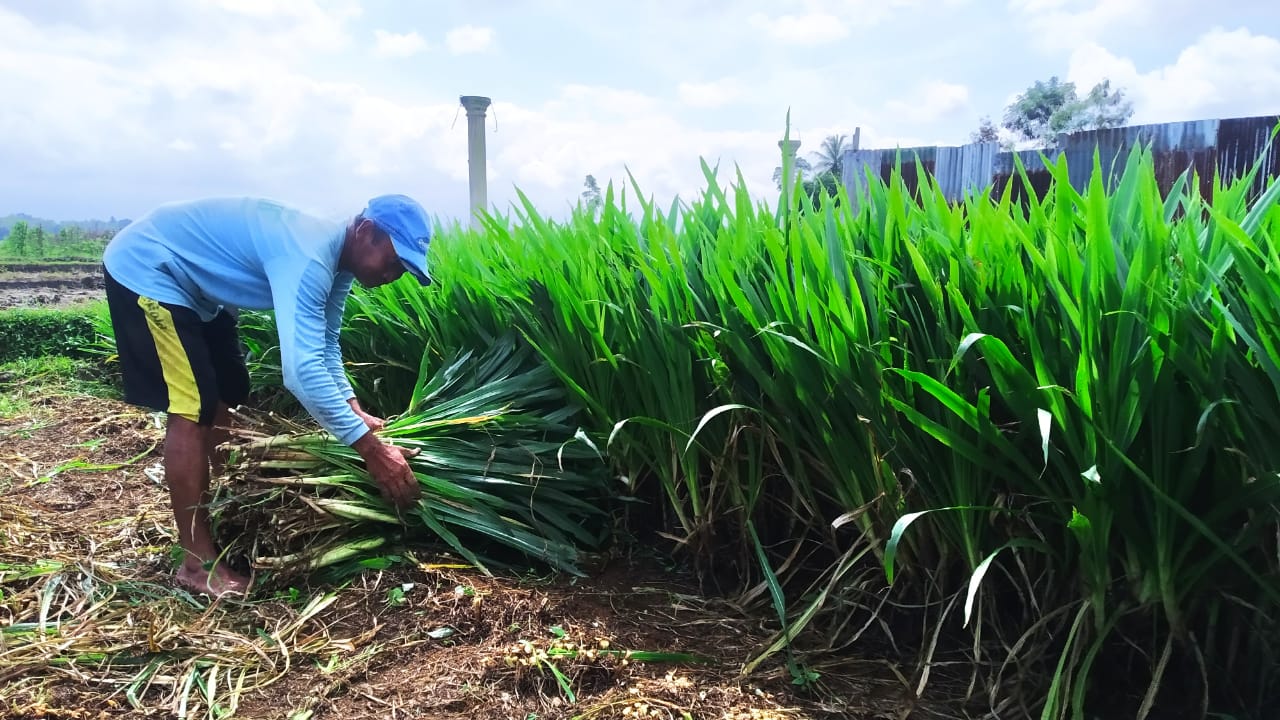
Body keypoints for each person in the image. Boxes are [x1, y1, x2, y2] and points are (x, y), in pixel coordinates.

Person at [101, 194, 430, 598]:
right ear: (366, 232)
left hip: (199, 291)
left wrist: (352, 409)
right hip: (150, 268)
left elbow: (324, 342)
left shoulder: (340, 262)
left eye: (404, 269)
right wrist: (372, 452)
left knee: (232, 393)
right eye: (395, 261)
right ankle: (197, 563)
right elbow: (302, 371)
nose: (394, 274)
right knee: (193, 406)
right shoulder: (311, 253)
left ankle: (222, 510)